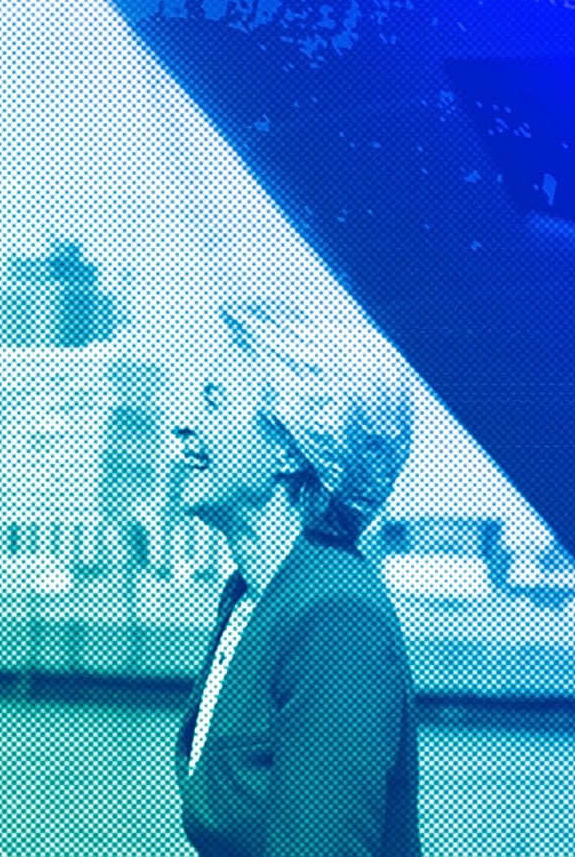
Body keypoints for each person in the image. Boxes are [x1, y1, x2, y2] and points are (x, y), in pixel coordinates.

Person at [170, 300, 422, 856]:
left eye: (213, 400)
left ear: (287, 446)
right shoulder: (250, 598)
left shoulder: (335, 614)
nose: (183, 422)